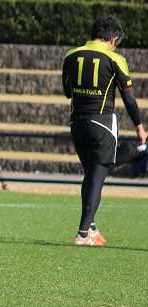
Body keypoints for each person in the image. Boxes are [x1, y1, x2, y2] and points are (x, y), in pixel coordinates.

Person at [62, 15, 146, 246]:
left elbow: (68, 92)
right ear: (113, 38)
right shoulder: (115, 58)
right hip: (103, 124)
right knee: (97, 176)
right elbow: (129, 99)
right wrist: (140, 127)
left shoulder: (71, 55)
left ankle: (91, 227)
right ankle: (82, 233)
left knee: (90, 175)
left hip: (77, 124)